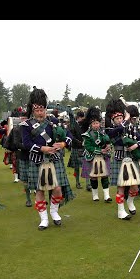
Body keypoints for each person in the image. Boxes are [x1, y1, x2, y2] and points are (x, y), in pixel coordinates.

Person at [21, 87, 75, 230]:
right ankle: (44, 219)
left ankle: (54, 211)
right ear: (33, 110)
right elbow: (26, 144)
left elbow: (69, 135)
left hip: (54, 159)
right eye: (37, 111)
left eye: (42, 110)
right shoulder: (26, 125)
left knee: (57, 189)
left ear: (45, 109)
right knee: (39, 190)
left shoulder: (54, 121)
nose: (40, 113)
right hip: (37, 160)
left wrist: (63, 143)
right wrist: (42, 148)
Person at [105, 99, 140, 220]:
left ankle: (130, 202)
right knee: (121, 186)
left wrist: (135, 145)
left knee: (135, 187)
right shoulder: (110, 130)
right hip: (119, 159)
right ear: (113, 120)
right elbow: (117, 134)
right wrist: (126, 120)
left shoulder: (130, 128)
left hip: (132, 159)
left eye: (121, 118)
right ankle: (120, 211)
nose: (120, 120)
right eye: (117, 118)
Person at [81, 106, 113, 203]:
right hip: (92, 157)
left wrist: (108, 146)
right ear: (91, 124)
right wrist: (100, 150)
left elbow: (108, 141)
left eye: (97, 123)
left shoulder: (102, 133)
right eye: (94, 123)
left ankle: (107, 196)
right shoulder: (87, 135)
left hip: (103, 157)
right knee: (93, 177)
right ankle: (95, 195)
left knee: (104, 176)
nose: (96, 125)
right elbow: (88, 147)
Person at [68, 110, 87, 189]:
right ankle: (77, 182)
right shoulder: (73, 125)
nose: (82, 120)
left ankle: (88, 184)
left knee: (86, 165)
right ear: (78, 117)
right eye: (81, 118)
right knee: (76, 167)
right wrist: (79, 142)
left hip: (84, 147)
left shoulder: (85, 124)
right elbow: (71, 136)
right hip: (76, 147)